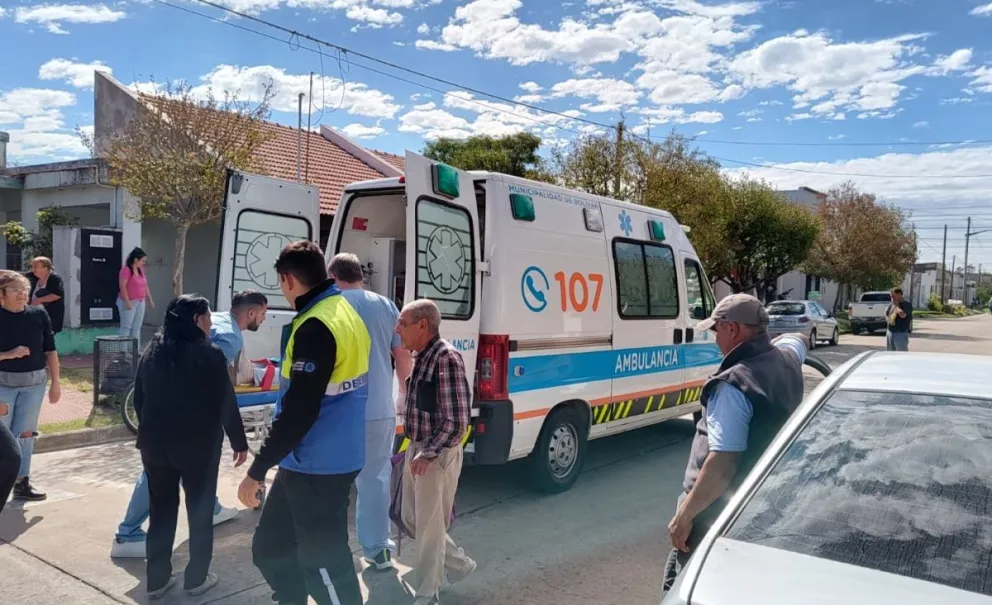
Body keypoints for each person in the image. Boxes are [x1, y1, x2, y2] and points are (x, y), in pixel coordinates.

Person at [239, 240, 371, 605]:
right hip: (311, 459)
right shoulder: (341, 308)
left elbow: (299, 411)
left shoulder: (317, 325)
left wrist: (257, 469)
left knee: (325, 564)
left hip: (319, 464)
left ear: (288, 280)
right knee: (271, 547)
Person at [662, 294, 808, 594]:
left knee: (687, 586)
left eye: (717, 330)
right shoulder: (786, 360)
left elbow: (723, 462)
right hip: (762, 500)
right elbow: (797, 341)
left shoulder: (733, 384)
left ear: (733, 329)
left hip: (717, 508)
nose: (716, 339)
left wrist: (685, 515)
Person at [111, 290, 269, 559]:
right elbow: (218, 392)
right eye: (264, 314)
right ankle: (129, 534)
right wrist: (236, 439)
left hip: (157, 431)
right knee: (180, 489)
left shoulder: (156, 346)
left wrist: (148, 425)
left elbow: (140, 395)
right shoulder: (227, 339)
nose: (265, 319)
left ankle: (208, 514)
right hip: (190, 432)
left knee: (161, 483)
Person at [134, 295, 249, 599]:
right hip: (197, 447)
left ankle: (157, 580)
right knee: (199, 512)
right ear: (197, 320)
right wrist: (239, 441)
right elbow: (226, 402)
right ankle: (196, 578)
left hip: (155, 446)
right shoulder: (209, 355)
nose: (212, 324)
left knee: (161, 511)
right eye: (209, 318)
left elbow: (139, 400)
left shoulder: (151, 352)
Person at [328, 253, 414, 571]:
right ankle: (378, 550)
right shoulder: (386, 305)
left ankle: (330, 549)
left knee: (332, 479)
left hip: (337, 410)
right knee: (376, 479)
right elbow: (402, 355)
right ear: (360, 276)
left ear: (333, 275)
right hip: (379, 407)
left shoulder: (330, 305)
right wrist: (403, 393)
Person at [395, 299, 477, 605]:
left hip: (436, 454)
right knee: (413, 519)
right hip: (417, 448)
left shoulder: (445, 358)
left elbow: (457, 420)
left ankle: (428, 593)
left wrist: (428, 453)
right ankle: (460, 564)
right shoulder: (422, 356)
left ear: (423, 325)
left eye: (402, 323)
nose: (397, 329)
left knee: (429, 528)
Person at [0, 270, 62, 502]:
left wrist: (56, 382)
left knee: (26, 433)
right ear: (2, 294)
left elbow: (50, 350)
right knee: (4, 435)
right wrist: (8, 354)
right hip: (3, 384)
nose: (21, 294)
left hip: (34, 383)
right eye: (15, 290)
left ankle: (22, 482)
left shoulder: (39, 314)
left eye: (25, 290)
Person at [119, 247, 155, 344]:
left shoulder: (140, 271)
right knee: (126, 326)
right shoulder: (126, 270)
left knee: (137, 326)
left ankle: (135, 350)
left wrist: (150, 299)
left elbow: (145, 285)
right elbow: (122, 286)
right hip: (129, 301)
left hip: (140, 301)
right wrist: (127, 302)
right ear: (136, 259)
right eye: (142, 261)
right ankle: (123, 351)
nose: (144, 263)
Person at [25, 257, 65, 336]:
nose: (32, 269)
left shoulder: (55, 278)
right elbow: (17, 277)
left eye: (35, 267)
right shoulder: (32, 276)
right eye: (32, 267)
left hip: (50, 317)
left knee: (45, 341)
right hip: (33, 317)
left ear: (45, 268)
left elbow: (57, 295)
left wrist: (38, 301)